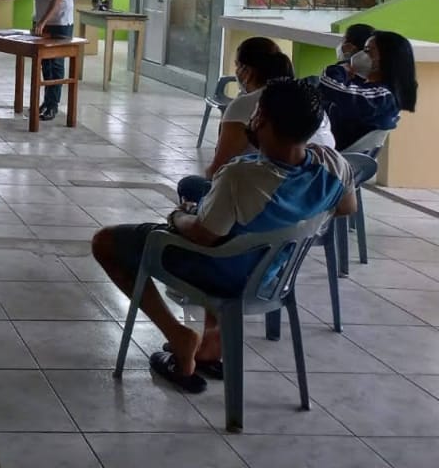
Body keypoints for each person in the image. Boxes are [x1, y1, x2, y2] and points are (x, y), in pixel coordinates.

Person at [92, 79, 355, 393]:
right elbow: (346, 207)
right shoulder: (334, 164)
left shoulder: (240, 175)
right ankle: (210, 346)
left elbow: (204, 236)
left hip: (225, 272)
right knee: (222, 217)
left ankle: (179, 336)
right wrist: (293, 215)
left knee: (105, 242)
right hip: (270, 276)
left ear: (262, 119)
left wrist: (179, 216)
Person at [178, 39, 334, 205]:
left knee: (190, 185)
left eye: (237, 65)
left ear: (247, 71)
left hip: (268, 197)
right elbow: (347, 206)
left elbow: (218, 170)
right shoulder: (308, 100)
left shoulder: (248, 104)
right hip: (315, 195)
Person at [318, 30, 417, 150]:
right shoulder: (372, 90)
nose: (361, 54)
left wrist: (343, 67)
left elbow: (329, 85)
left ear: (387, 58)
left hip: (327, 151)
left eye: (368, 51)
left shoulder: (382, 97)